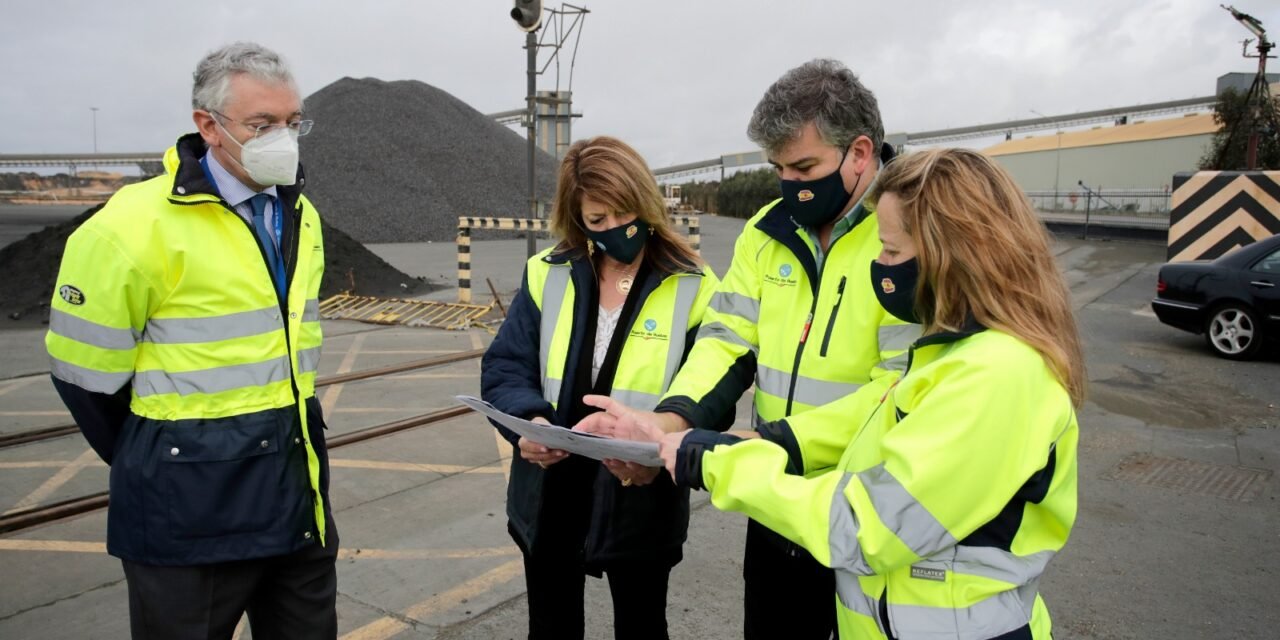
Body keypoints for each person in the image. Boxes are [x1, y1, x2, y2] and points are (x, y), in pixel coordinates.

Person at [588, 148, 1084, 639]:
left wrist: (714, 464)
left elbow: (863, 526)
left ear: (953, 254)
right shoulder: (950, 355)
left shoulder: (998, 375)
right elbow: (862, 417)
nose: (881, 266)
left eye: (890, 251)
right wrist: (719, 441)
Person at [575, 58, 913, 639]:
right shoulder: (766, 230)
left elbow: (902, 389)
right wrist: (666, 423)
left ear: (860, 153)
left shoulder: (907, 235)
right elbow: (726, 343)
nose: (790, 183)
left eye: (804, 165)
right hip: (776, 498)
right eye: (778, 167)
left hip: (871, 502)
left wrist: (758, 447)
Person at [45, 42, 336, 639]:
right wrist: (172, 460)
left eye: (291, 122)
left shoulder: (299, 213)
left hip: (296, 500)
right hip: (189, 520)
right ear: (208, 125)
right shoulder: (128, 228)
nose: (284, 137)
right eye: (263, 125)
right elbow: (86, 382)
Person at [480, 136, 721, 640]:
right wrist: (532, 424)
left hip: (640, 495)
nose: (616, 229)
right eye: (598, 220)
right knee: (550, 627)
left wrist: (660, 446)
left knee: (641, 626)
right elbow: (505, 365)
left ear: (647, 202)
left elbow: (713, 387)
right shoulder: (548, 274)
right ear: (576, 218)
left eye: (625, 212)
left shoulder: (695, 284)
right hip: (550, 494)